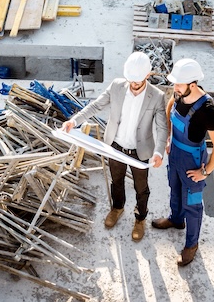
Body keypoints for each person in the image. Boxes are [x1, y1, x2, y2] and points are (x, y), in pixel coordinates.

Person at [63, 52, 169, 241]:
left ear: (147, 75)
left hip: (140, 151)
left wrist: (159, 152)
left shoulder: (157, 96)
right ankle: (117, 208)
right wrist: (74, 121)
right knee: (116, 181)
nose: (134, 84)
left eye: (137, 81)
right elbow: (95, 106)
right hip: (116, 146)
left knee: (141, 187)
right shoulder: (117, 87)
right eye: (131, 80)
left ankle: (140, 218)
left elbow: (162, 128)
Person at [151, 58, 214, 267]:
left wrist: (206, 171)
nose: (174, 88)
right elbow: (169, 107)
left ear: (192, 85)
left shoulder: (207, 110)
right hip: (175, 154)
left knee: (192, 204)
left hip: (193, 161)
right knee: (174, 189)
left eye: (178, 84)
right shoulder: (179, 94)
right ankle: (176, 219)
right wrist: (168, 137)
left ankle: (191, 245)